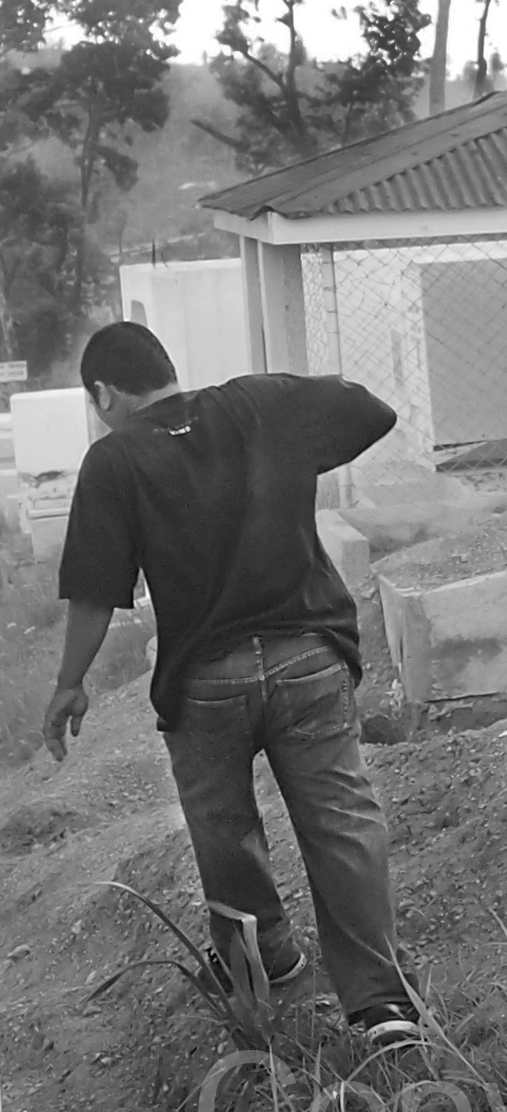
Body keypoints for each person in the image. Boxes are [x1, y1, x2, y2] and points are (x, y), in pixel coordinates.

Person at [43, 323, 420, 1050]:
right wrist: (295, 453)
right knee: (340, 821)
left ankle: (263, 963)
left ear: (106, 393)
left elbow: (93, 592)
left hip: (206, 680)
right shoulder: (262, 403)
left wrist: (70, 683)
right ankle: (381, 1007)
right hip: (307, 656)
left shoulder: (116, 459)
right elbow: (369, 410)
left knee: (223, 829)